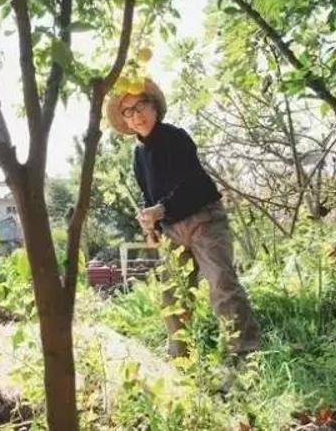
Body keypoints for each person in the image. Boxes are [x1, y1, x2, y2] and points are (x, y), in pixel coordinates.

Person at [106, 78, 260, 359]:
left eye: (141, 105)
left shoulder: (176, 137)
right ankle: (182, 362)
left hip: (205, 220)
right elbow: (147, 195)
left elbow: (192, 184)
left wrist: (160, 209)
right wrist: (149, 222)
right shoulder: (138, 156)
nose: (136, 115)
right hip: (171, 232)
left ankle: (245, 355)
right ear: (125, 121)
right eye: (128, 111)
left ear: (154, 107)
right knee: (172, 296)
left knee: (221, 284)